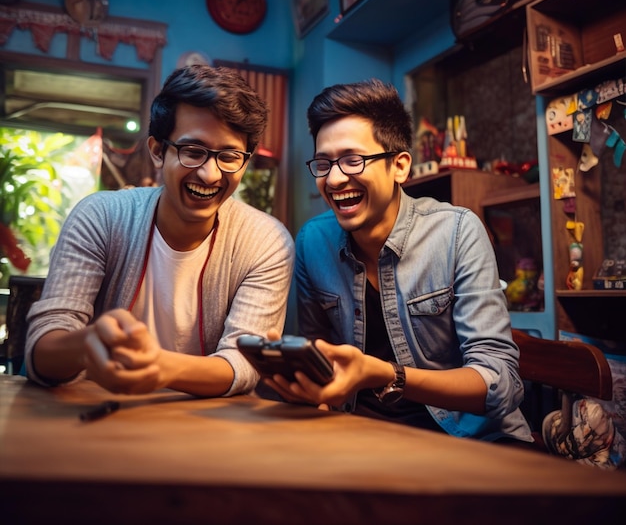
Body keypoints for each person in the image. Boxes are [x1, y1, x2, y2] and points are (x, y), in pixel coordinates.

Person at [267, 79, 532, 443]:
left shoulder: (457, 232)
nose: (334, 178)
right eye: (324, 163)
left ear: (400, 166)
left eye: (352, 160)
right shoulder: (313, 241)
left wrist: (387, 375)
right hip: (360, 434)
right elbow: (319, 354)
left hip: (470, 439)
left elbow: (501, 382)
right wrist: (305, 386)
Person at [25, 64, 295, 397]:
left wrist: (161, 368)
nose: (210, 175)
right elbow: (42, 347)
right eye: (193, 152)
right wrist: (85, 344)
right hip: (93, 413)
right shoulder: (102, 217)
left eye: (228, 156)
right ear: (157, 151)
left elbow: (244, 362)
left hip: (208, 427)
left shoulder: (265, 241)